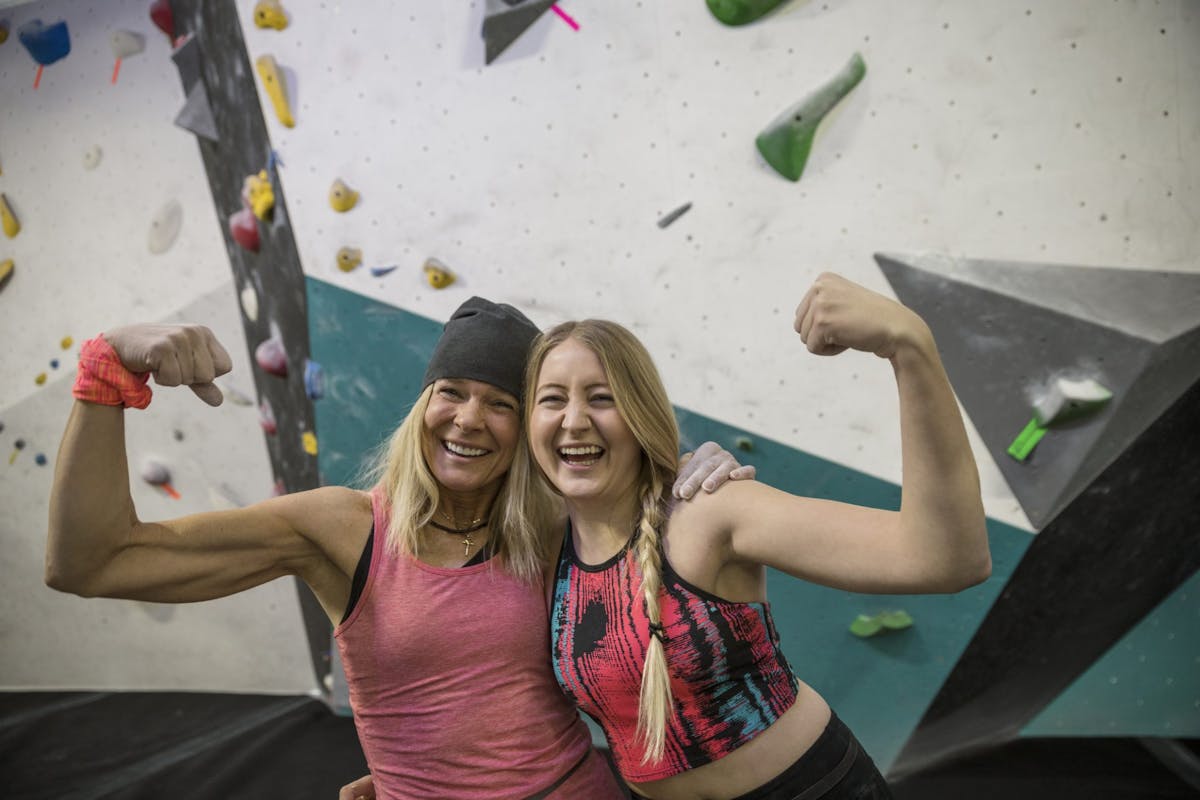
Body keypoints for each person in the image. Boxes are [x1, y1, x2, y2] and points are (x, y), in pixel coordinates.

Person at [45, 297, 750, 800]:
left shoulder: (555, 528)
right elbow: (93, 560)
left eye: (501, 403)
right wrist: (107, 374)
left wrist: (697, 467)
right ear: (423, 405)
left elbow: (636, 474)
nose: (469, 419)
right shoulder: (343, 529)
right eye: (452, 392)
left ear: (528, 428)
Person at [524, 273, 992, 800]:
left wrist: (909, 344)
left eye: (601, 398)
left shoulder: (707, 507)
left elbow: (946, 559)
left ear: (639, 413)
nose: (575, 420)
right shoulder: (544, 546)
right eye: (552, 399)